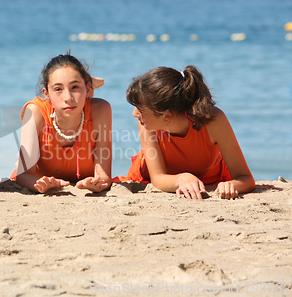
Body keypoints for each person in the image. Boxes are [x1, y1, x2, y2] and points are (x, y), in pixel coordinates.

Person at [116, 65, 255, 200]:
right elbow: (157, 178)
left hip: (211, 179)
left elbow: (245, 178)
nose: (134, 114)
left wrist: (230, 185)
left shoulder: (213, 120)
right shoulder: (145, 123)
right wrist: (183, 178)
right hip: (147, 178)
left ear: (167, 116)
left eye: (140, 110)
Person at [13, 52, 113, 193]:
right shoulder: (36, 112)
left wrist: (96, 183)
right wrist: (40, 184)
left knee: (82, 102)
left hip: (88, 97)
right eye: (58, 89)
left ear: (88, 89)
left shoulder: (100, 110)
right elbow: (23, 176)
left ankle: (83, 84)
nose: (68, 97)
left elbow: (104, 177)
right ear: (46, 94)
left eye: (75, 87)